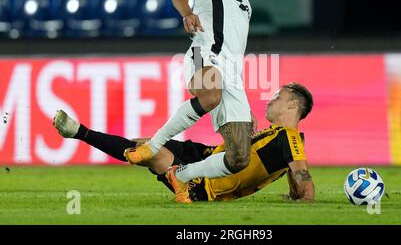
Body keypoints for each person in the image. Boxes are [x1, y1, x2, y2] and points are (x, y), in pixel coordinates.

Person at [122, 0, 259, 203]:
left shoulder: (244, 2)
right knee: (209, 95)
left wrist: (244, 101)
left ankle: (181, 174)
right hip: (204, 53)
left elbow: (235, 52)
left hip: (231, 74)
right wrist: (187, 12)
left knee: (239, 158)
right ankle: (153, 146)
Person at [53, 83, 315, 203]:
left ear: (293, 105)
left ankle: (79, 132)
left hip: (204, 185)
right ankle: (81, 132)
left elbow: (302, 176)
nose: (271, 100)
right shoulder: (281, 138)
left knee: (152, 155)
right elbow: (294, 172)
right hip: (203, 154)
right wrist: (295, 195)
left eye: (279, 97)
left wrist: (306, 197)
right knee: (142, 143)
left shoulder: (289, 137)